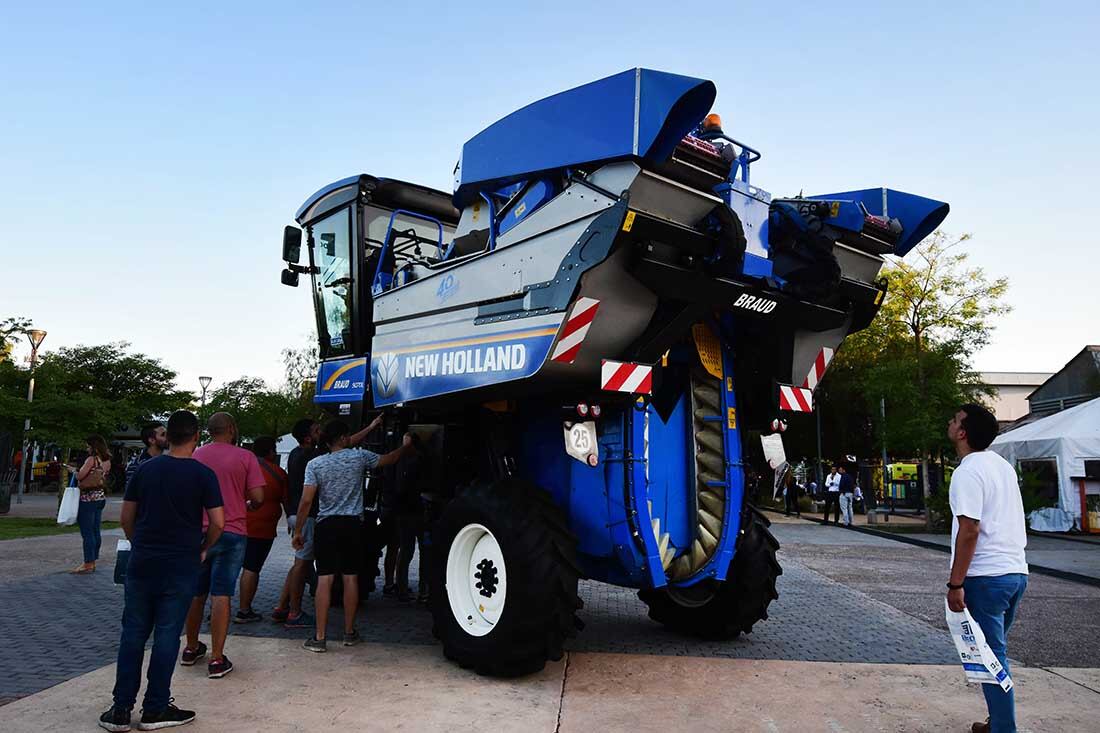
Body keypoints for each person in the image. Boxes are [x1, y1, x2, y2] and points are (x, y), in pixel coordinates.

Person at [98, 410, 224, 732]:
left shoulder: (145, 470)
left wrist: (138, 541)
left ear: (168, 435)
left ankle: (120, 709)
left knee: (134, 633)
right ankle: (155, 707)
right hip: (181, 564)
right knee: (168, 634)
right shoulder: (203, 475)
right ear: (196, 436)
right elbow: (219, 523)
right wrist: (203, 548)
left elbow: (127, 517)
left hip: (143, 562)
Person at [293, 416, 411, 653]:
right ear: (344, 438)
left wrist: (298, 531)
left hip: (326, 526)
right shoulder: (359, 457)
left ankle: (320, 637)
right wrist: (407, 446)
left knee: (324, 579)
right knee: (350, 578)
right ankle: (348, 633)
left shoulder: (315, 465)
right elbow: (389, 460)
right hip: (352, 525)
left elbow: (306, 501)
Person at [946, 404, 1028, 733]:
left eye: (954, 420)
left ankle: (1004, 729)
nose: (949, 423)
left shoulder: (967, 471)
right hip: (1015, 573)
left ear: (963, 432)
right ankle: (998, 721)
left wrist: (955, 584)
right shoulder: (1002, 466)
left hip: (986, 578)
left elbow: (970, 530)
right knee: (992, 653)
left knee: (990, 657)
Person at [182, 413, 265, 679]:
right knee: (222, 593)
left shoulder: (195, 456)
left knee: (196, 592)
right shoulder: (245, 457)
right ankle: (217, 659)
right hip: (232, 531)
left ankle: (191, 647)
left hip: (199, 532)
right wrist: (248, 503)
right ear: (231, 429)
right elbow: (258, 497)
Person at [274, 418, 323, 629]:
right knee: (301, 565)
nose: (321, 433)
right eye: (317, 430)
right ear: (308, 437)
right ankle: (294, 612)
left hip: (296, 514)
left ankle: (282, 606)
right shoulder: (312, 455)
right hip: (307, 515)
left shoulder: (294, 453)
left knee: (298, 564)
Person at [235, 436, 286, 623]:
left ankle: (218, 607)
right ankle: (244, 609)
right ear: (271, 451)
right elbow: (286, 499)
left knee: (230, 567)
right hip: (262, 528)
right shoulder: (278, 472)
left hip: (238, 523)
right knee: (252, 567)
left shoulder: (242, 469)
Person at [73, 435, 112, 574]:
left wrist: (73, 471)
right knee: (96, 529)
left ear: (94, 446)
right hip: (100, 497)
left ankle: (88, 562)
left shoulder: (91, 459)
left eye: (88, 445)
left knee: (87, 531)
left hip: (87, 498)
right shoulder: (107, 461)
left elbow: (80, 476)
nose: (87, 448)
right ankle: (93, 559)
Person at [125, 423, 169, 492]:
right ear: (151, 440)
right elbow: (130, 495)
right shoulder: (137, 465)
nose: (168, 437)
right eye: (163, 435)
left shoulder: (170, 460)